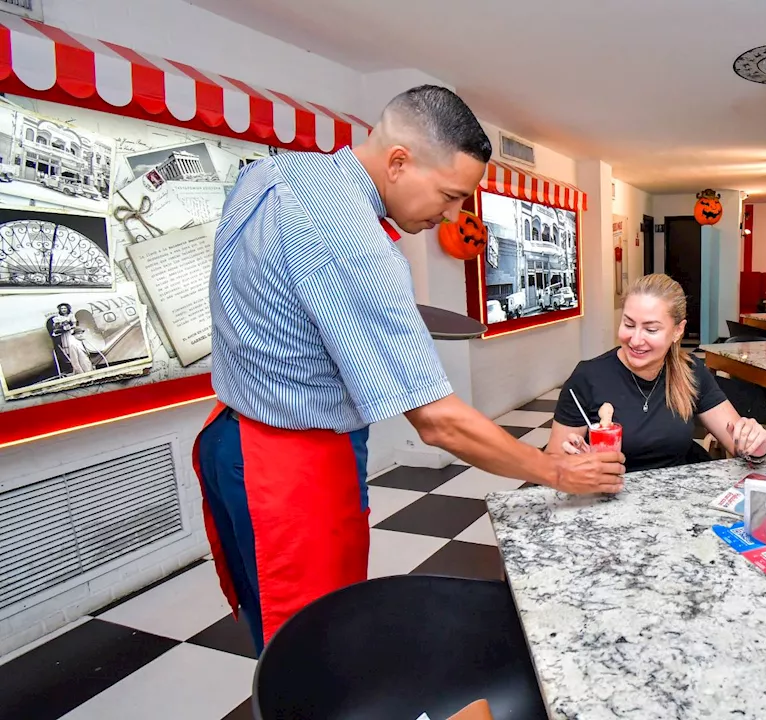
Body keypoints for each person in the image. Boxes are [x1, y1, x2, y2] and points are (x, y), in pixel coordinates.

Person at [196, 84, 625, 655]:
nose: (452, 214)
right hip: (290, 463)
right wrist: (555, 472)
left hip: (228, 435)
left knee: (275, 639)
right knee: (318, 647)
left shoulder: (275, 174)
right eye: (449, 195)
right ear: (398, 161)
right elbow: (439, 423)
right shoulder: (352, 241)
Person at [547, 274, 766, 471]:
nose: (635, 340)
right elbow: (553, 461)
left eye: (651, 329)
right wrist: (573, 465)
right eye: (628, 324)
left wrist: (754, 441)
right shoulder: (587, 378)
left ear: (677, 331)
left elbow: (739, 444)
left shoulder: (690, 371)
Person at [47, 303, 94, 376]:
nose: (63, 310)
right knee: (71, 347)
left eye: (65, 308)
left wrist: (70, 326)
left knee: (78, 347)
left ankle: (85, 365)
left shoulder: (71, 316)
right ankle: (76, 366)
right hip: (65, 335)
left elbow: (74, 325)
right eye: (62, 309)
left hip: (72, 333)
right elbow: (56, 329)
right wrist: (62, 328)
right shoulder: (57, 318)